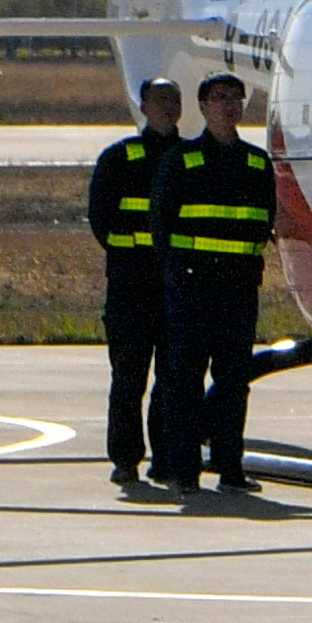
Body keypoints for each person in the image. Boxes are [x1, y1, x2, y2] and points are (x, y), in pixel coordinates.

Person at [147, 71, 282, 497]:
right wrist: (179, 275)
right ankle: (184, 469)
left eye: (236, 98)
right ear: (203, 107)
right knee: (185, 380)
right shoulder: (183, 161)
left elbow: (266, 221)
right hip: (192, 289)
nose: (229, 105)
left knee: (233, 382)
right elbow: (160, 226)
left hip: (238, 290)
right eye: (220, 97)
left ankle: (230, 467)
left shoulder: (257, 163)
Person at [87, 78, 185, 495]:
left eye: (174, 99)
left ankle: (166, 459)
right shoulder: (119, 158)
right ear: (142, 105)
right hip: (131, 288)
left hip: (176, 286)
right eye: (160, 98)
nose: (168, 105)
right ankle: (126, 460)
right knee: (128, 377)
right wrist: (131, 257)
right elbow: (100, 219)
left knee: (174, 378)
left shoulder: (189, 158)